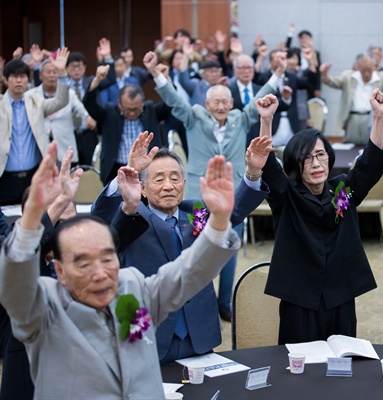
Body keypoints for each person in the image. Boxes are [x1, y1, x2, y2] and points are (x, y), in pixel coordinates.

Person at [0, 141, 240, 399]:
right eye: (83, 263)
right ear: (60, 271)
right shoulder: (44, 308)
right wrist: (35, 215)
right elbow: (14, 282)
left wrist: (218, 222)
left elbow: (189, 273)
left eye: (107, 258)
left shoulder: (133, 288)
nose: (100, 273)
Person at [92, 131, 268, 362]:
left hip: (199, 332)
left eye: (175, 179)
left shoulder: (193, 211)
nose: (168, 186)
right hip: (149, 332)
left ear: (184, 184)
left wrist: (253, 173)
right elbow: (100, 219)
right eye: (158, 179)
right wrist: (126, 177)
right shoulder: (131, 217)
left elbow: (231, 211)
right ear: (143, 188)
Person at [144, 50, 285, 320]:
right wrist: (155, 73)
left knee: (229, 248)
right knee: (192, 246)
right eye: (215, 102)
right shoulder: (194, 117)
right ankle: (191, 299)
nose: (220, 106)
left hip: (235, 195)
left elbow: (259, 100)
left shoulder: (239, 119)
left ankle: (224, 303)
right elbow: (174, 99)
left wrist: (277, 72)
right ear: (207, 104)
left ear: (231, 102)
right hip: (198, 197)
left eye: (224, 101)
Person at [246, 89, 383, 344]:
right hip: (299, 300)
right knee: (300, 369)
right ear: (294, 164)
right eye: (306, 158)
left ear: (329, 157)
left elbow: (369, 166)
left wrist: (378, 117)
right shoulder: (286, 195)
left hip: (340, 296)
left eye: (320, 155)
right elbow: (268, 166)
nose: (315, 163)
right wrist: (266, 120)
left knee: (343, 368)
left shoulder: (341, 192)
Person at [0, 148, 82, 400]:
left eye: (70, 222)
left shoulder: (87, 266)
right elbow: (21, 253)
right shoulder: (22, 265)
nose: (63, 233)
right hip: (29, 377)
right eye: (55, 222)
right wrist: (57, 203)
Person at [0, 49, 70, 205]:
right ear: (5, 79)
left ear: (28, 79)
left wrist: (62, 73)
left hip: (34, 176)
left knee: (36, 220)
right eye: (14, 76)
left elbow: (61, 101)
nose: (19, 80)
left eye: (22, 76)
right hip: (4, 178)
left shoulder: (36, 102)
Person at [83, 65, 169, 184]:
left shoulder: (150, 111)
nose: (132, 113)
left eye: (136, 109)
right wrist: (97, 80)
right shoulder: (110, 114)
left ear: (142, 104)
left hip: (148, 169)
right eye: (128, 109)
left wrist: (163, 79)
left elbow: (169, 103)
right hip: (116, 169)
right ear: (119, 104)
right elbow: (89, 104)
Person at [29, 59, 90, 166]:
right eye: (48, 72)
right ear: (40, 75)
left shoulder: (69, 93)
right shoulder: (31, 95)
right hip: (41, 148)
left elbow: (80, 108)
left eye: (55, 72)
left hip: (64, 145)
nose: (52, 75)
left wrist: (87, 117)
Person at [320, 54, 383, 144]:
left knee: (373, 145)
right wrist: (324, 74)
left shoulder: (380, 78)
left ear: (373, 67)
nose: (367, 74)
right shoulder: (349, 77)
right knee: (351, 146)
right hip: (352, 118)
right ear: (357, 67)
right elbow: (333, 82)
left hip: (371, 118)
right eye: (363, 71)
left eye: (369, 70)